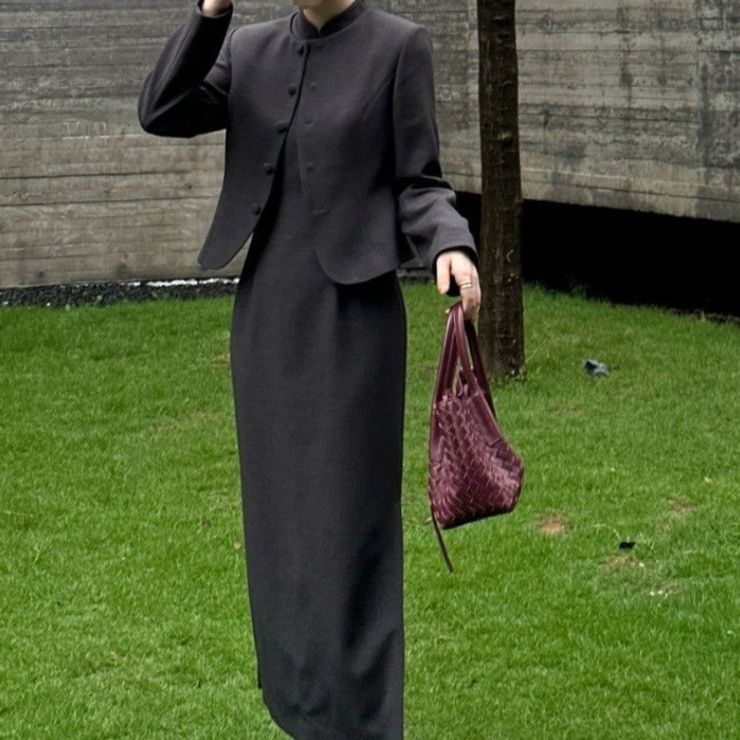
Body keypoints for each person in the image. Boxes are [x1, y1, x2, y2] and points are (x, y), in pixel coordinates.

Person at [138, 1, 481, 737]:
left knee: (349, 532)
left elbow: (419, 180)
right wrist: (209, 15)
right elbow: (161, 109)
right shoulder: (249, 49)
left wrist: (450, 242)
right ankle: (300, 709)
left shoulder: (399, 47)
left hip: (355, 323)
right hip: (267, 323)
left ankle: (363, 721)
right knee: (280, 533)